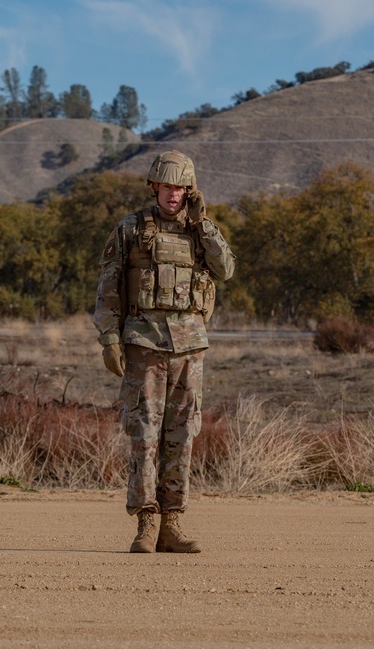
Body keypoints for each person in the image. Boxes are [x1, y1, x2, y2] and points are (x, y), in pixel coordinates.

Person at [94, 150, 235, 554]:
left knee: (182, 435)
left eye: (181, 187)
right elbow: (107, 288)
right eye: (168, 186)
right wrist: (109, 338)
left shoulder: (201, 229)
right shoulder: (131, 229)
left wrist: (203, 224)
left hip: (190, 347)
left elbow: (225, 269)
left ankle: (173, 524)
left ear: (190, 190)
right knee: (143, 436)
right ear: (154, 186)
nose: (174, 195)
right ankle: (146, 524)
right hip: (144, 343)